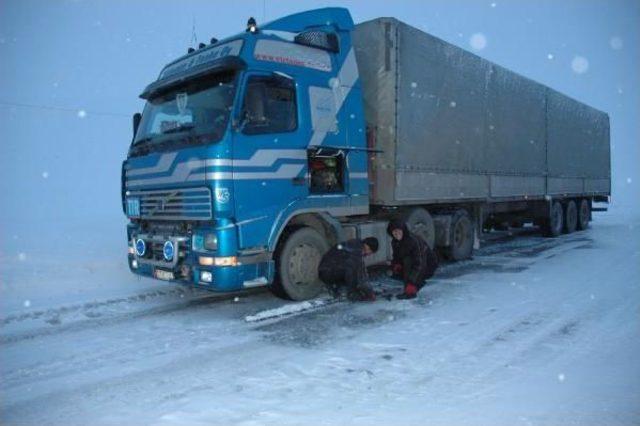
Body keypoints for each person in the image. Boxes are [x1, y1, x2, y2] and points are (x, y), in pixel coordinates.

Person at [387, 220, 439, 299]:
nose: (397, 234)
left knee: (408, 261)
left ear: (403, 230)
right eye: (394, 232)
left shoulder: (413, 241)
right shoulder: (395, 242)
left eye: (398, 231)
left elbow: (420, 263)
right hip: (417, 265)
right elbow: (396, 257)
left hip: (426, 266)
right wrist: (395, 265)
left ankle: (411, 290)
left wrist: (412, 282)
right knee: (393, 270)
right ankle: (415, 283)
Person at [318, 237, 379, 302]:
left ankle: (336, 286)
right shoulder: (356, 252)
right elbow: (362, 276)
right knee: (352, 270)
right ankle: (351, 294)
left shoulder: (354, 245)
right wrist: (370, 293)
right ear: (367, 247)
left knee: (351, 269)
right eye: (371, 252)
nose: (369, 254)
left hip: (325, 270)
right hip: (327, 273)